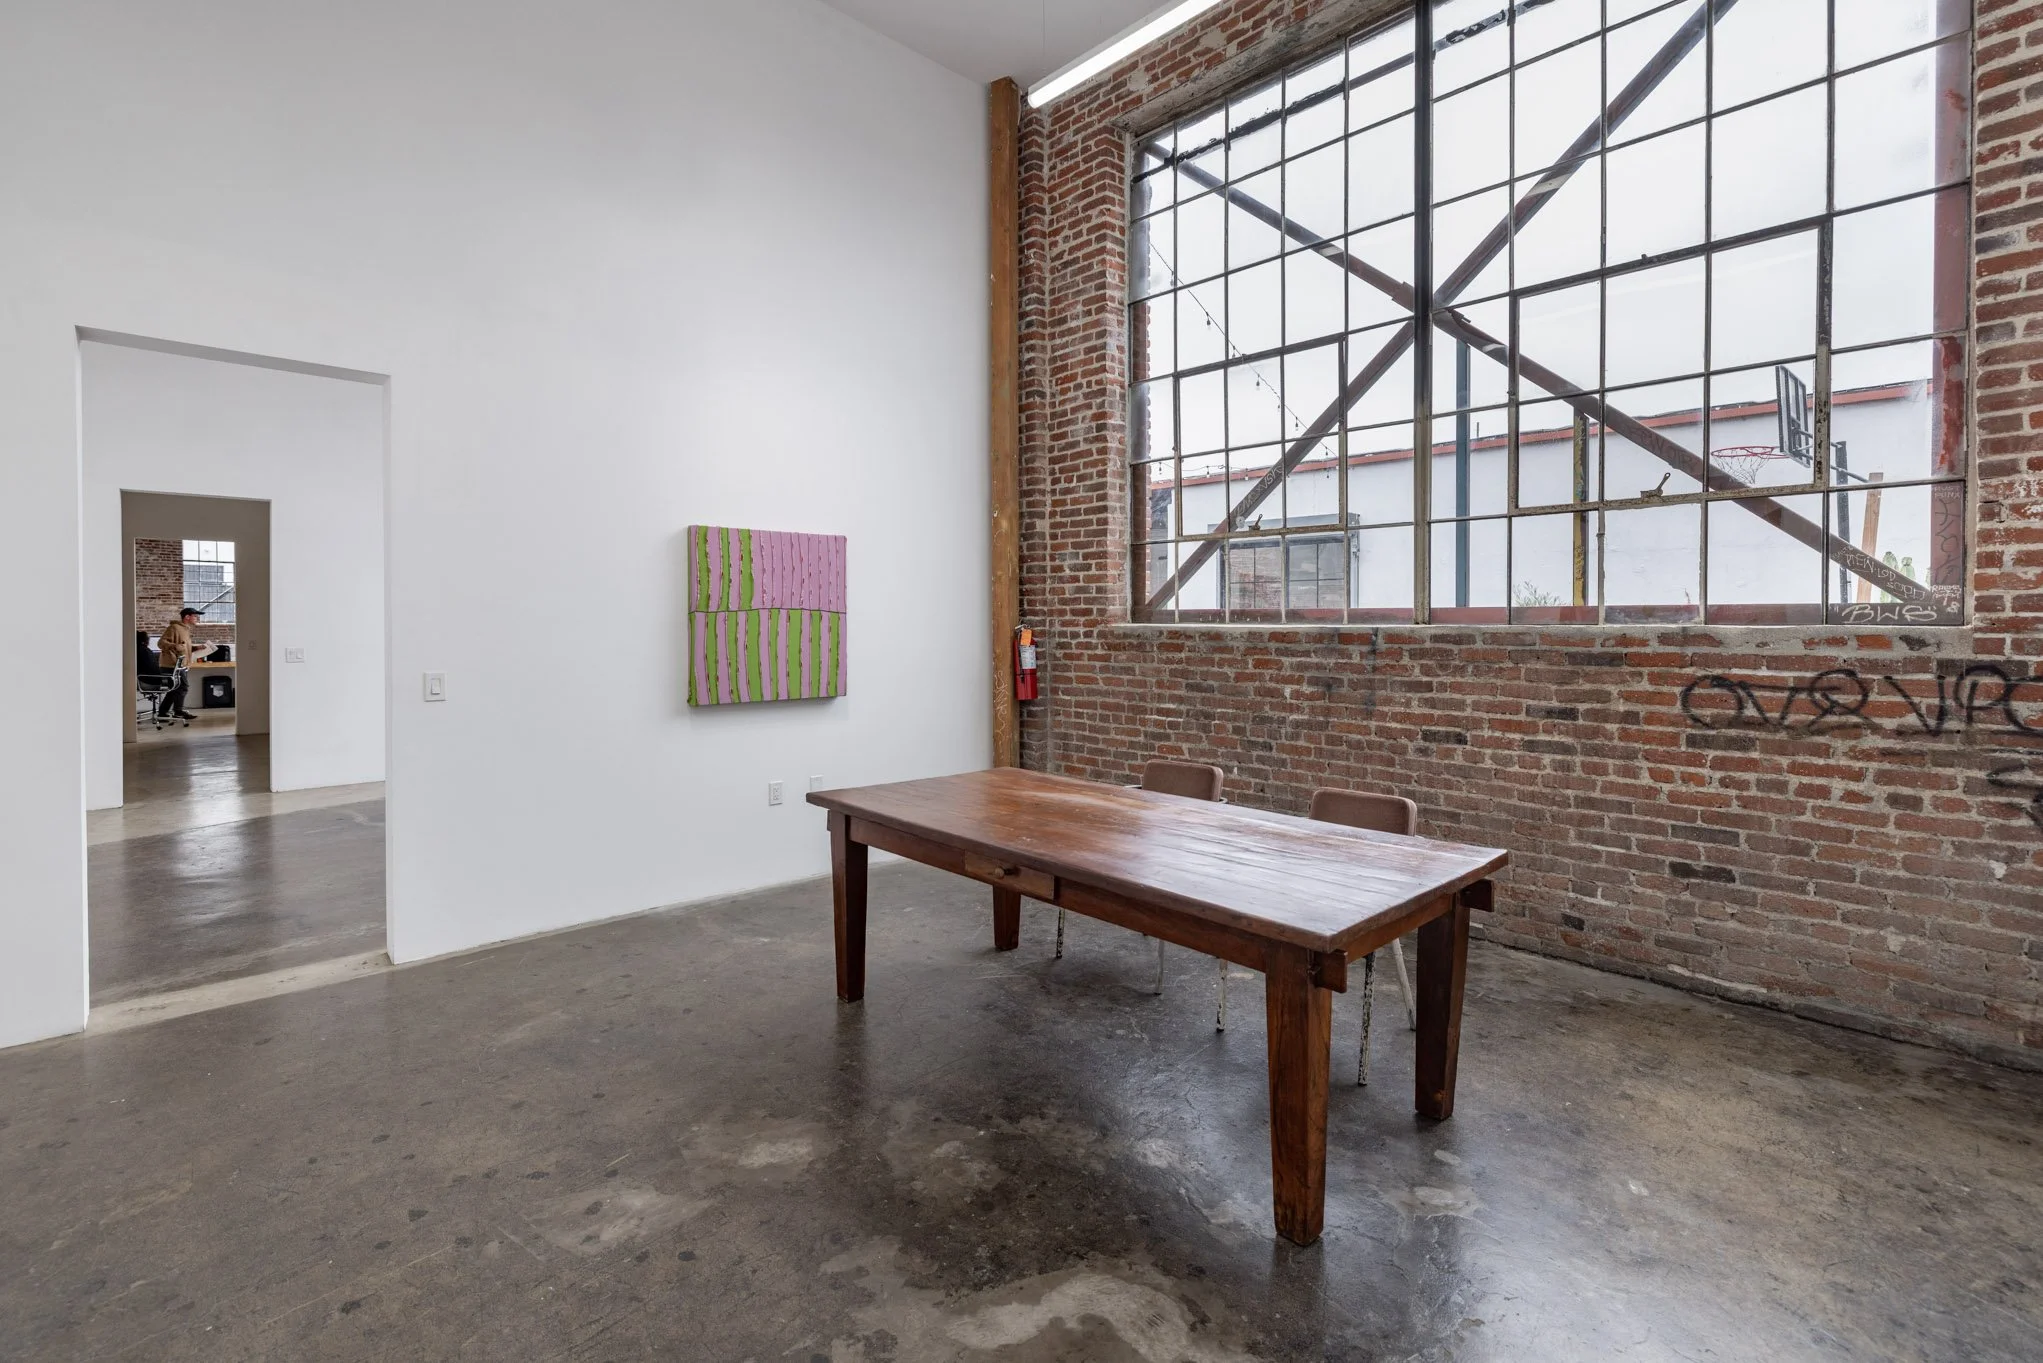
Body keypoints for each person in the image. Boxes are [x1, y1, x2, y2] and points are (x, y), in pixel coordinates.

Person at [156, 606, 201, 720]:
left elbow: (183, 648)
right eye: (195, 616)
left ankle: (162, 712)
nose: (197, 618)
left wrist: (196, 648)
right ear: (187, 617)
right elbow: (161, 643)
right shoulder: (174, 628)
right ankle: (178, 711)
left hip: (181, 665)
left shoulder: (185, 629)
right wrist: (175, 646)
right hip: (172, 664)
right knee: (183, 687)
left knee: (174, 689)